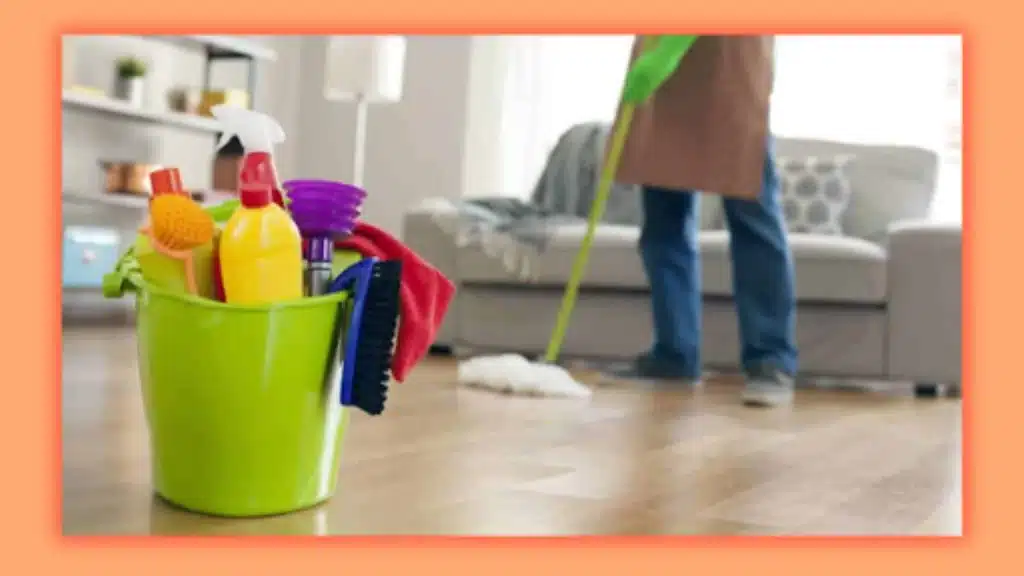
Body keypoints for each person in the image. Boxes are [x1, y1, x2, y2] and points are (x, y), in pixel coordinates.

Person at [604, 35, 798, 407]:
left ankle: (771, 360)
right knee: (663, 218)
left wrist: (672, 45)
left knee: (751, 213)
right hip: (663, 59)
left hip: (730, 53)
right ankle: (674, 353)